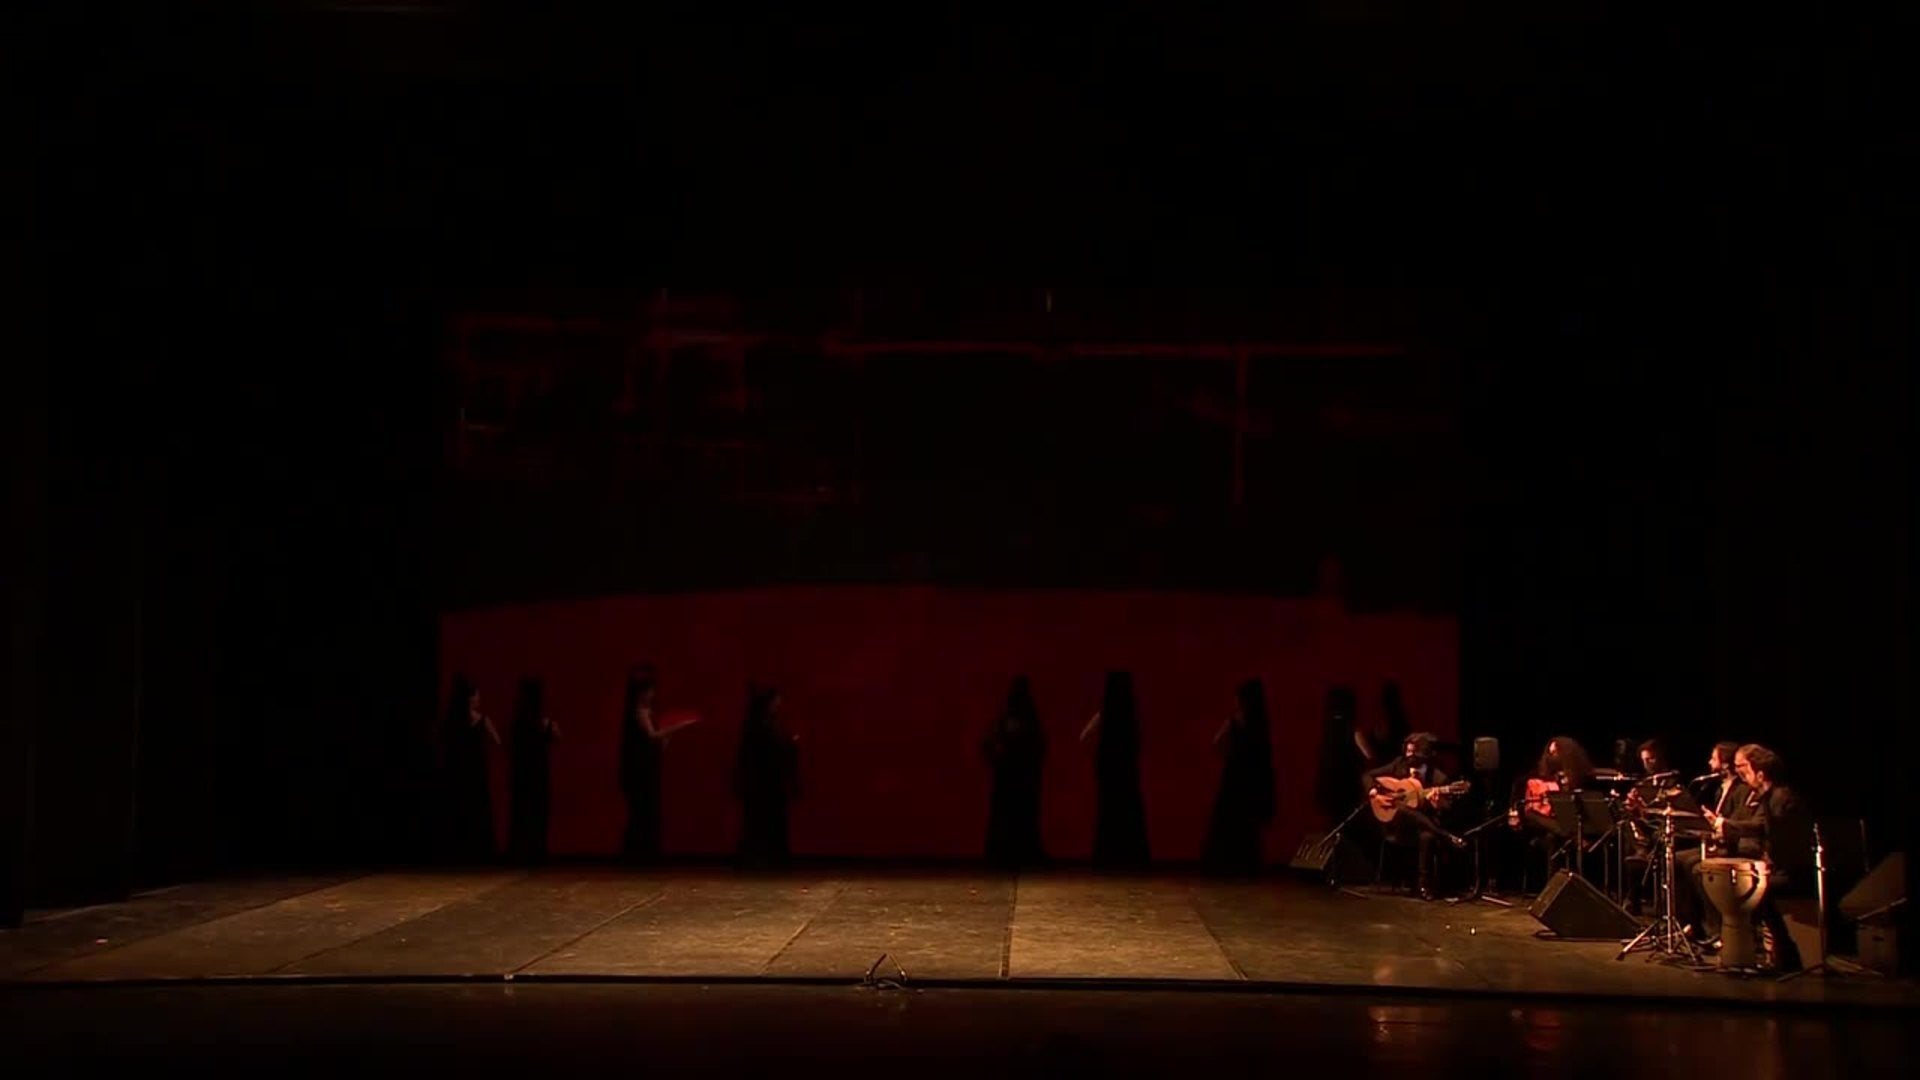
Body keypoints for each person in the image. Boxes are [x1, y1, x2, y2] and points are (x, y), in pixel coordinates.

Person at [1705, 744, 1810, 971]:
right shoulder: (1768, 796)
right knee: (1750, 886)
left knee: (1755, 890)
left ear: (1760, 774)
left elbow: (1766, 830)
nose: (1740, 774)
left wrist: (1725, 825)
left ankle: (1785, 954)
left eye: (1744, 768)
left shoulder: (1781, 798)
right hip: (1779, 867)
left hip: (1794, 871)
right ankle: (1758, 951)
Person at [1364, 733, 1468, 899]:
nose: (1409, 756)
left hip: (1423, 827)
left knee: (1427, 836)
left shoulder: (1438, 778)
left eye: (1413, 754)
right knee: (1401, 809)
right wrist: (1374, 792)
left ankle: (1422, 885)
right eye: (1408, 751)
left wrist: (1435, 803)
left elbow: (1447, 808)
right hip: (1398, 826)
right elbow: (1368, 775)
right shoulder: (1398, 765)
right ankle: (1446, 836)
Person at [1202, 679, 1276, 875]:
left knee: (1228, 818)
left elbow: (1217, 743)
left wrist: (1231, 755)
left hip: (1234, 776)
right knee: (1248, 823)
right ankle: (1246, 863)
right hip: (1252, 778)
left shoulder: (1234, 721)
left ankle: (1225, 862)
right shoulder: (1261, 725)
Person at [1082, 671, 1149, 867]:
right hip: (1126, 772)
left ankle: (1108, 854)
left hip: (1108, 770)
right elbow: (1138, 744)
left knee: (1108, 811)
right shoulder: (1131, 716)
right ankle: (1130, 855)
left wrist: (1098, 756)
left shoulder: (1104, 714)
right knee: (1129, 810)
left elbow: (1084, 737)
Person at [983, 675, 1048, 868]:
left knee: (1009, 818)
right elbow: (1039, 747)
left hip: (1010, 779)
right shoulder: (1027, 719)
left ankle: (1005, 854)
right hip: (1021, 779)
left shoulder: (1006, 719)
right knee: (1020, 818)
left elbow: (989, 744)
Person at [735, 683, 799, 866]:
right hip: (766, 781)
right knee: (766, 820)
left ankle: (763, 856)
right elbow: (767, 751)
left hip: (764, 781)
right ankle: (767, 856)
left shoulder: (760, 724)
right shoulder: (764, 726)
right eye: (776, 701)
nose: (779, 704)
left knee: (761, 821)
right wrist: (789, 744)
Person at [441, 673, 499, 863]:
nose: (479, 698)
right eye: (477, 695)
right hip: (476, 773)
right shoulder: (482, 720)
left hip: (456, 773)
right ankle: (479, 851)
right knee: (478, 810)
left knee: (459, 810)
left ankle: (458, 850)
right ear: (470, 698)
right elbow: (497, 742)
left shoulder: (450, 721)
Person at [619, 666, 671, 862]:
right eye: (650, 691)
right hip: (640, 770)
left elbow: (656, 743)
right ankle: (639, 853)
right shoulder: (639, 712)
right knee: (642, 811)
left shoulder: (645, 712)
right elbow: (652, 736)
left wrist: (665, 737)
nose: (652, 694)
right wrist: (673, 728)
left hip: (647, 768)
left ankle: (643, 852)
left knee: (644, 811)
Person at [508, 676, 562, 863]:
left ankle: (523, 853)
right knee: (537, 813)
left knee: (523, 814)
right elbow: (558, 736)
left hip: (524, 774)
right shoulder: (541, 723)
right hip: (536, 775)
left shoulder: (520, 722)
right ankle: (536, 852)